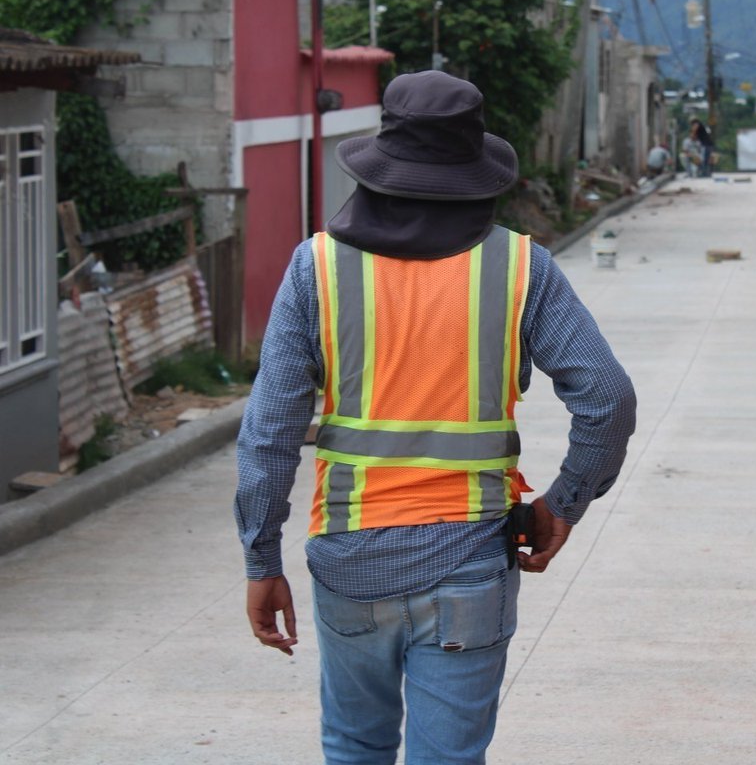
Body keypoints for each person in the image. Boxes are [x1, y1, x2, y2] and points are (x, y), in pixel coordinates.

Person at [234, 70, 637, 765]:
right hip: (470, 566)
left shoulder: (316, 269)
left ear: (380, 166)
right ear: (475, 170)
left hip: (350, 559)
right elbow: (607, 398)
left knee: (355, 747)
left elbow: (269, 434)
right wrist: (563, 505)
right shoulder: (521, 268)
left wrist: (260, 558)